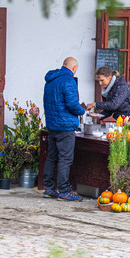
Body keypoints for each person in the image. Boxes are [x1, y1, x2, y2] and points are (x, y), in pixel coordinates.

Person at [42, 56, 85, 201]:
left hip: (52, 124)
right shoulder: (68, 80)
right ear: (73, 68)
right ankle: (64, 191)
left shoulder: (51, 80)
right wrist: (82, 111)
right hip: (65, 125)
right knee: (65, 159)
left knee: (52, 157)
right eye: (76, 69)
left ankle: (49, 188)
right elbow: (72, 104)